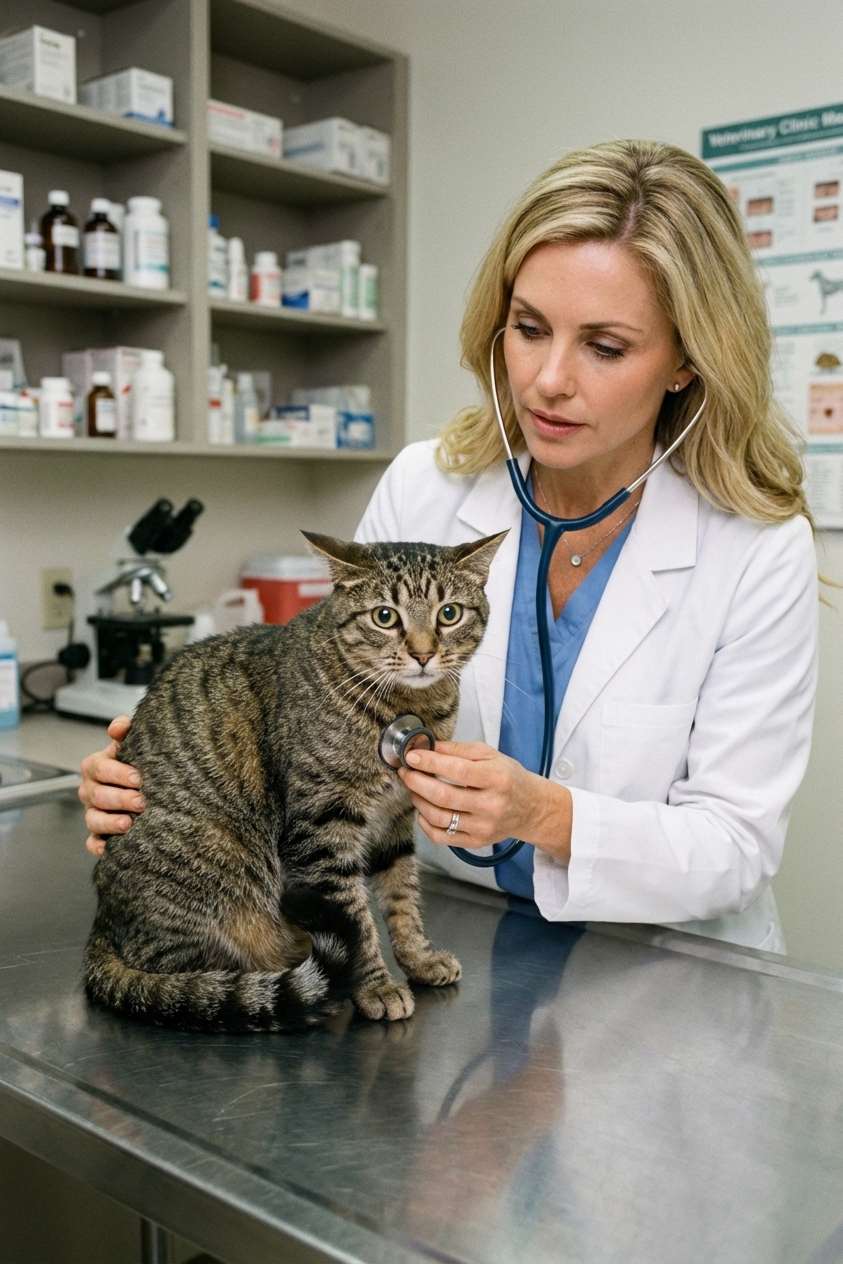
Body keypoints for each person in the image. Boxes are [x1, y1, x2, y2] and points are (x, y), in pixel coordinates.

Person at [79, 139, 817, 952]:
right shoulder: (424, 487)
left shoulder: (755, 546)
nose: (547, 380)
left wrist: (545, 814)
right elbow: (327, 708)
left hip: (664, 962)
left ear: (686, 359)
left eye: (604, 347)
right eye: (528, 328)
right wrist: (188, 781)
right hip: (457, 932)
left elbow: (735, 847)